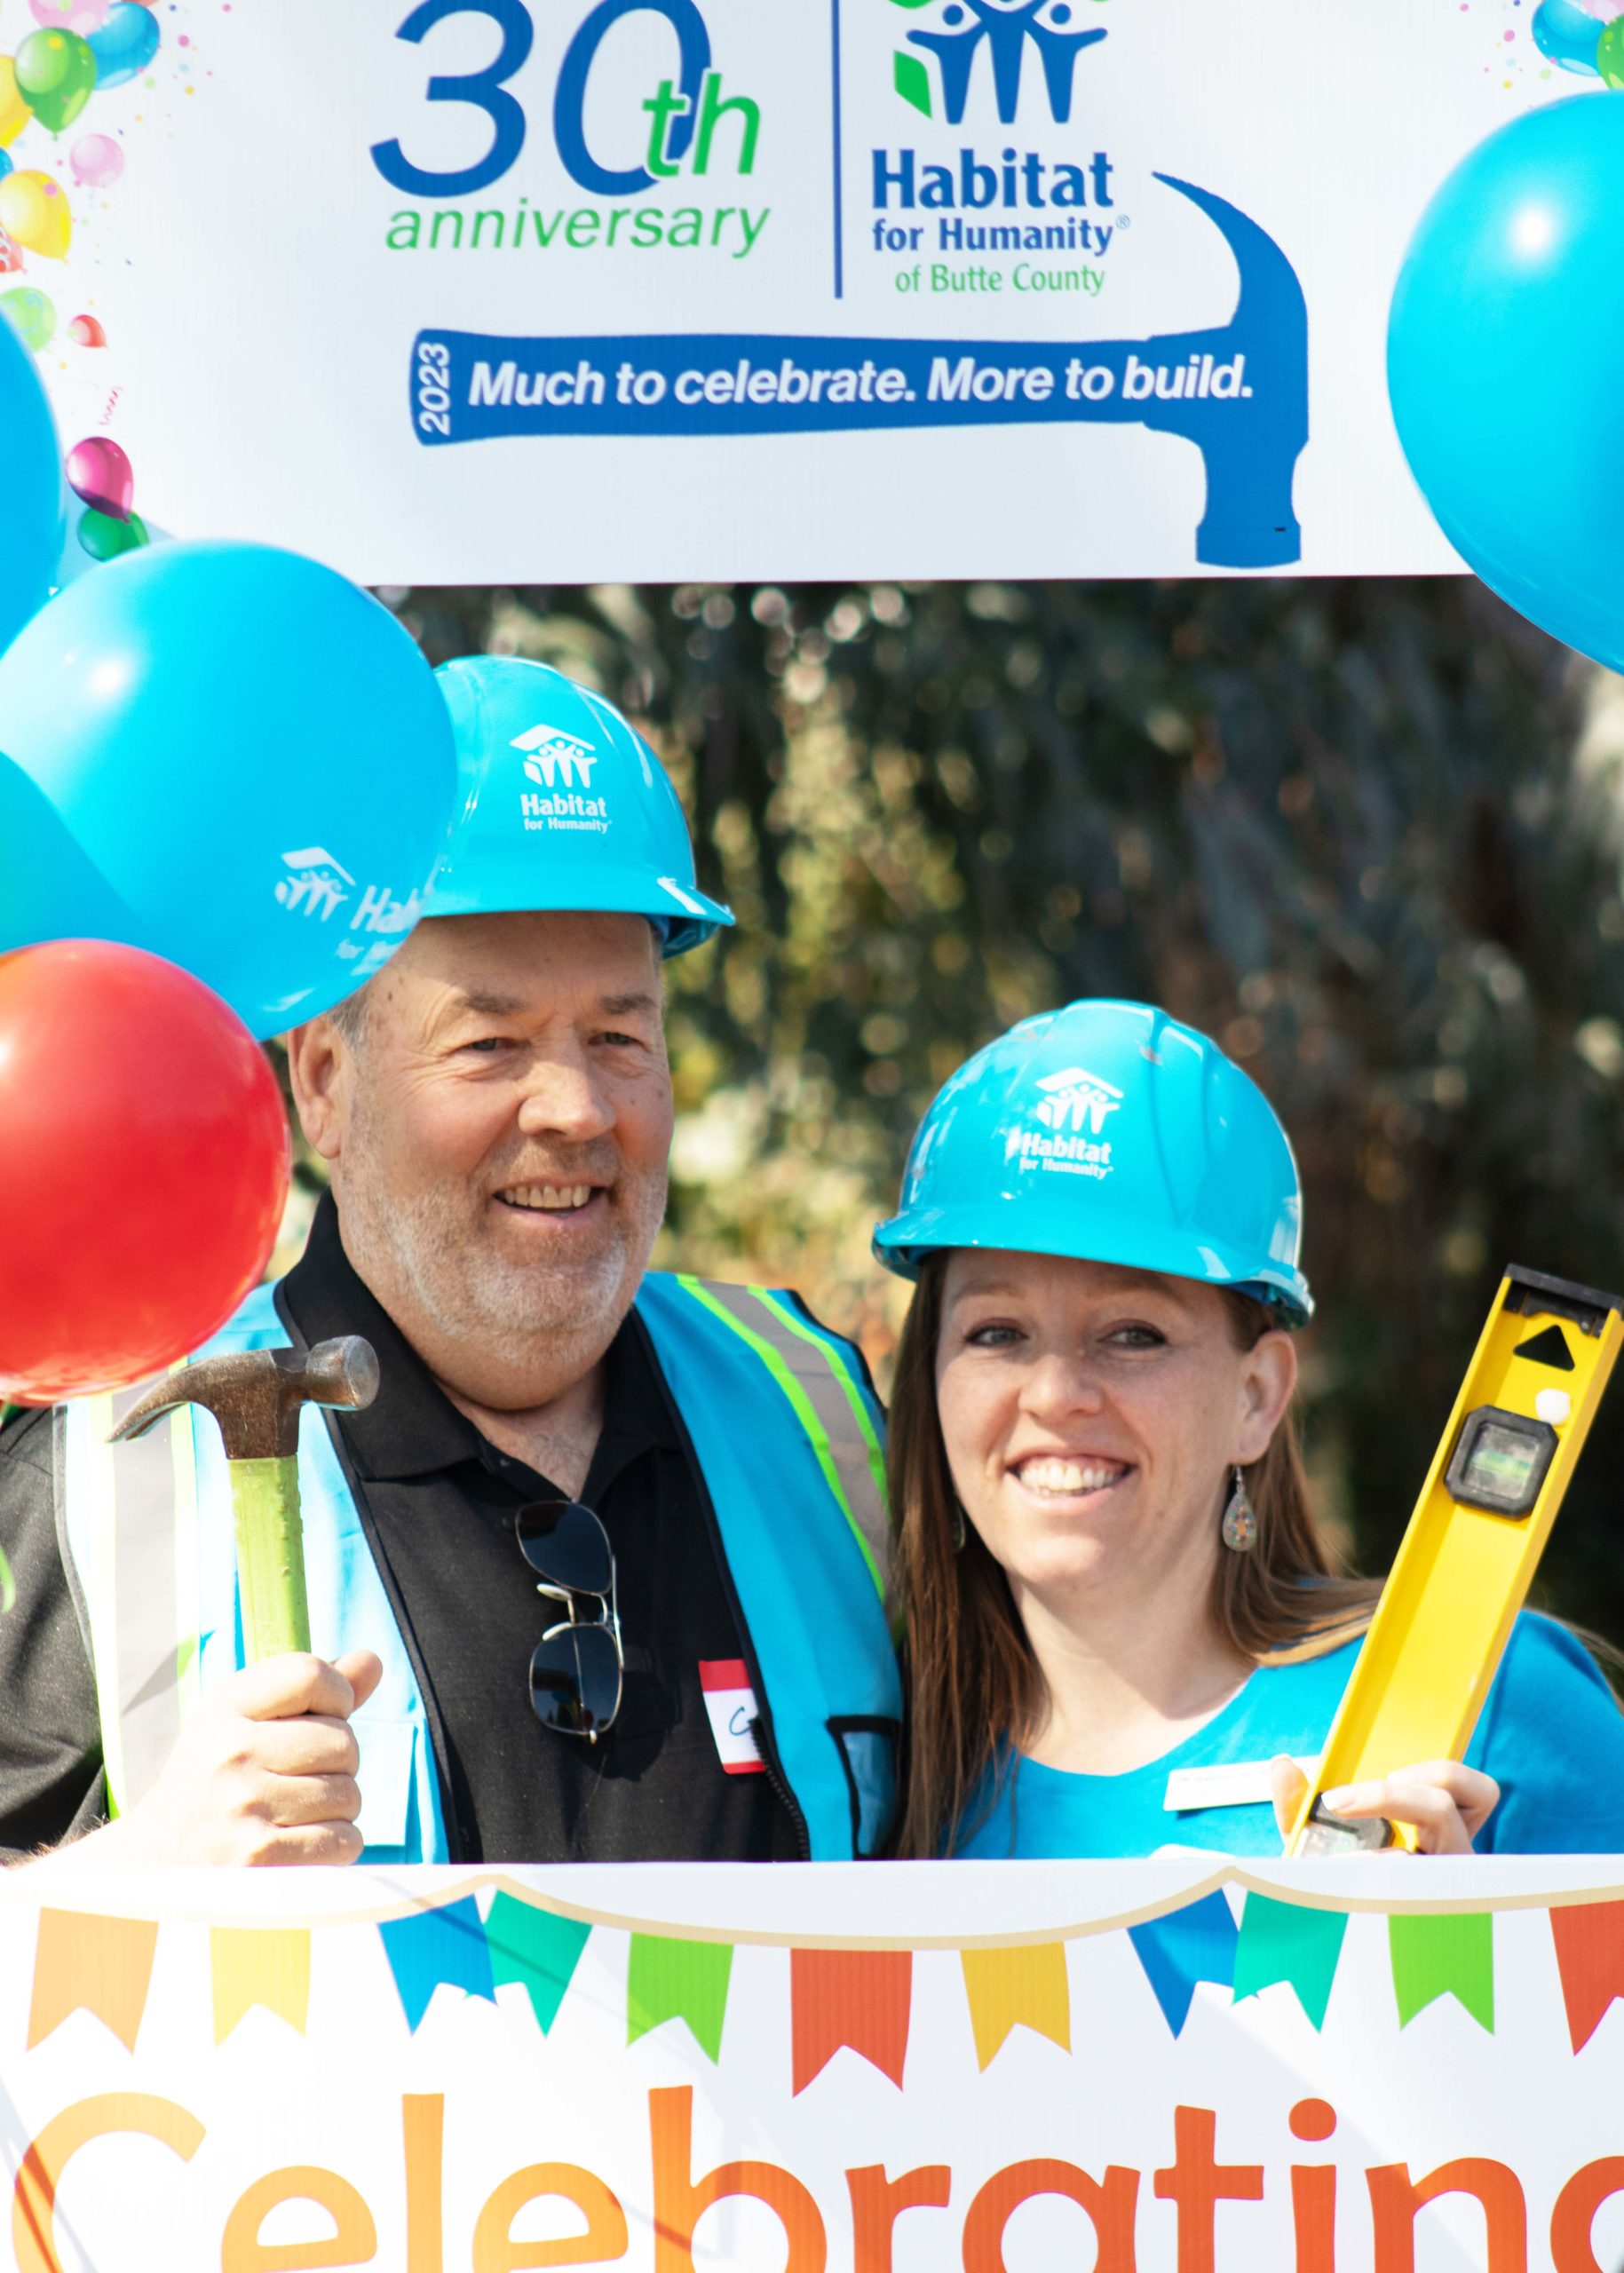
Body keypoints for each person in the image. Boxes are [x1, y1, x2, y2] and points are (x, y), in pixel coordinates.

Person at [0, 657, 899, 1871]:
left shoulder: (819, 1410)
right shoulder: (102, 1472)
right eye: (491, 1043)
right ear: (325, 1077)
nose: (578, 1107)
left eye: (620, 1035)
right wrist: (132, 1878)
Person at [873, 997, 1624, 1860]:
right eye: (994, 1333)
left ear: (1256, 1397)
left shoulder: (1489, 1706)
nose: (1054, 1392)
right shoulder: (870, 1771)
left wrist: (1463, 1961)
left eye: (1132, 1334)